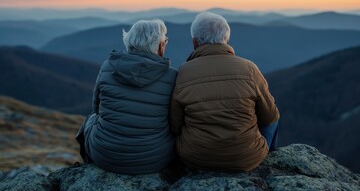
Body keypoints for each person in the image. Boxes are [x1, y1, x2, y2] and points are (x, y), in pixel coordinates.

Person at [169, 12, 280, 172]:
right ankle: (271, 159)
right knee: (274, 117)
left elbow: (175, 125)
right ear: (226, 39)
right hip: (246, 157)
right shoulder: (249, 68)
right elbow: (269, 116)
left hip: (196, 157)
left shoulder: (183, 72)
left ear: (195, 42)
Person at [76, 19, 177, 174]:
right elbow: (174, 120)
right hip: (154, 160)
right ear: (159, 46)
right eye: (165, 40)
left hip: (105, 156)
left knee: (90, 119)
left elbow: (97, 108)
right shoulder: (172, 77)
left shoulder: (108, 67)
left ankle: (87, 163)